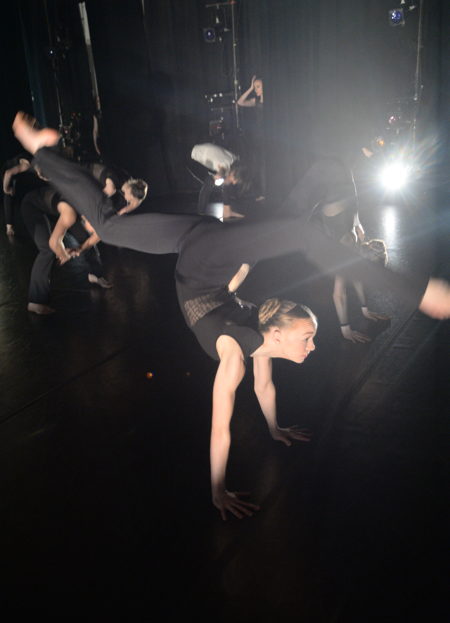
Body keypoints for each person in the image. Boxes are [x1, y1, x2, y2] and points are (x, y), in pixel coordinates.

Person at [12, 112, 450, 518]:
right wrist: (218, 490)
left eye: (309, 339)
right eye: (307, 338)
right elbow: (225, 425)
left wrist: (269, 435)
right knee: (298, 231)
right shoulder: (247, 344)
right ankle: (415, 289)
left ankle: (42, 151)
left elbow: (253, 397)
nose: (313, 346)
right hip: (209, 255)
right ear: (276, 334)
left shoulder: (250, 349)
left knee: (110, 227)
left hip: (196, 243)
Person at [281, 155, 390, 342]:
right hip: (335, 184)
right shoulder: (355, 245)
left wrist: (353, 322)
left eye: (377, 250)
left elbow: (342, 292)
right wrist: (351, 324)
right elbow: (343, 291)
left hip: (329, 182)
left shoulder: (352, 247)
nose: (378, 246)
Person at [21, 185, 110, 314]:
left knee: (85, 237)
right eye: (94, 228)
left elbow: (92, 240)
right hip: (33, 206)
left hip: (57, 208)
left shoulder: (96, 211)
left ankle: (96, 275)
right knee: (47, 250)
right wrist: (64, 254)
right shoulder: (71, 214)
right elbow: (54, 243)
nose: (95, 232)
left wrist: (79, 249)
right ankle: (36, 301)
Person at [190, 142, 249, 219]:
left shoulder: (235, 161)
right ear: (234, 172)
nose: (234, 183)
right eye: (235, 179)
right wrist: (219, 175)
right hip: (192, 157)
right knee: (210, 181)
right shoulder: (226, 165)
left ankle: (227, 211)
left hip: (204, 151)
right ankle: (200, 215)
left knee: (226, 181)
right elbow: (222, 169)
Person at [237, 75, 265, 201]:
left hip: (269, 137)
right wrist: (250, 88)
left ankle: (266, 191)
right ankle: (260, 192)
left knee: (266, 165)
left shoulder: (271, 101)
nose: (255, 90)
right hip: (258, 137)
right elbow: (240, 102)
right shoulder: (255, 101)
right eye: (255, 87)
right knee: (257, 165)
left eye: (258, 87)